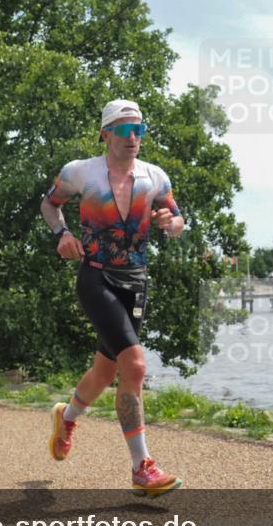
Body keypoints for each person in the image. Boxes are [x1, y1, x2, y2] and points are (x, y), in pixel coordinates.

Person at [41, 99, 185, 496]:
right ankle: (142, 467)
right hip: (96, 277)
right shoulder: (80, 172)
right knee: (134, 365)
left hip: (135, 282)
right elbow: (50, 204)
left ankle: (67, 416)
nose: (133, 137)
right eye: (124, 130)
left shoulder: (154, 177)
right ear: (105, 134)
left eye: (139, 129)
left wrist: (169, 222)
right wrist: (62, 234)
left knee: (105, 372)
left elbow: (178, 219)